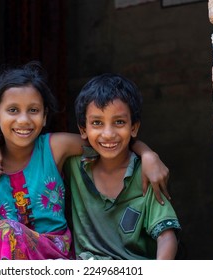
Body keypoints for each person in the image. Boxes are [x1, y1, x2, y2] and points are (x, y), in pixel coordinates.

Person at [0, 61, 169, 260]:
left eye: (33, 110)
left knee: (5, 229)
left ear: (44, 117)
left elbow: (106, 140)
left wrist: (147, 153)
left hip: (52, 250)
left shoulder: (54, 147)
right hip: (0, 249)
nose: (23, 120)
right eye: (13, 110)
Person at [63, 73, 181, 260]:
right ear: (83, 130)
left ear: (133, 127)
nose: (108, 134)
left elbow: (167, 236)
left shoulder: (145, 174)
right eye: (97, 123)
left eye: (119, 122)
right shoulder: (75, 164)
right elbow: (34, 147)